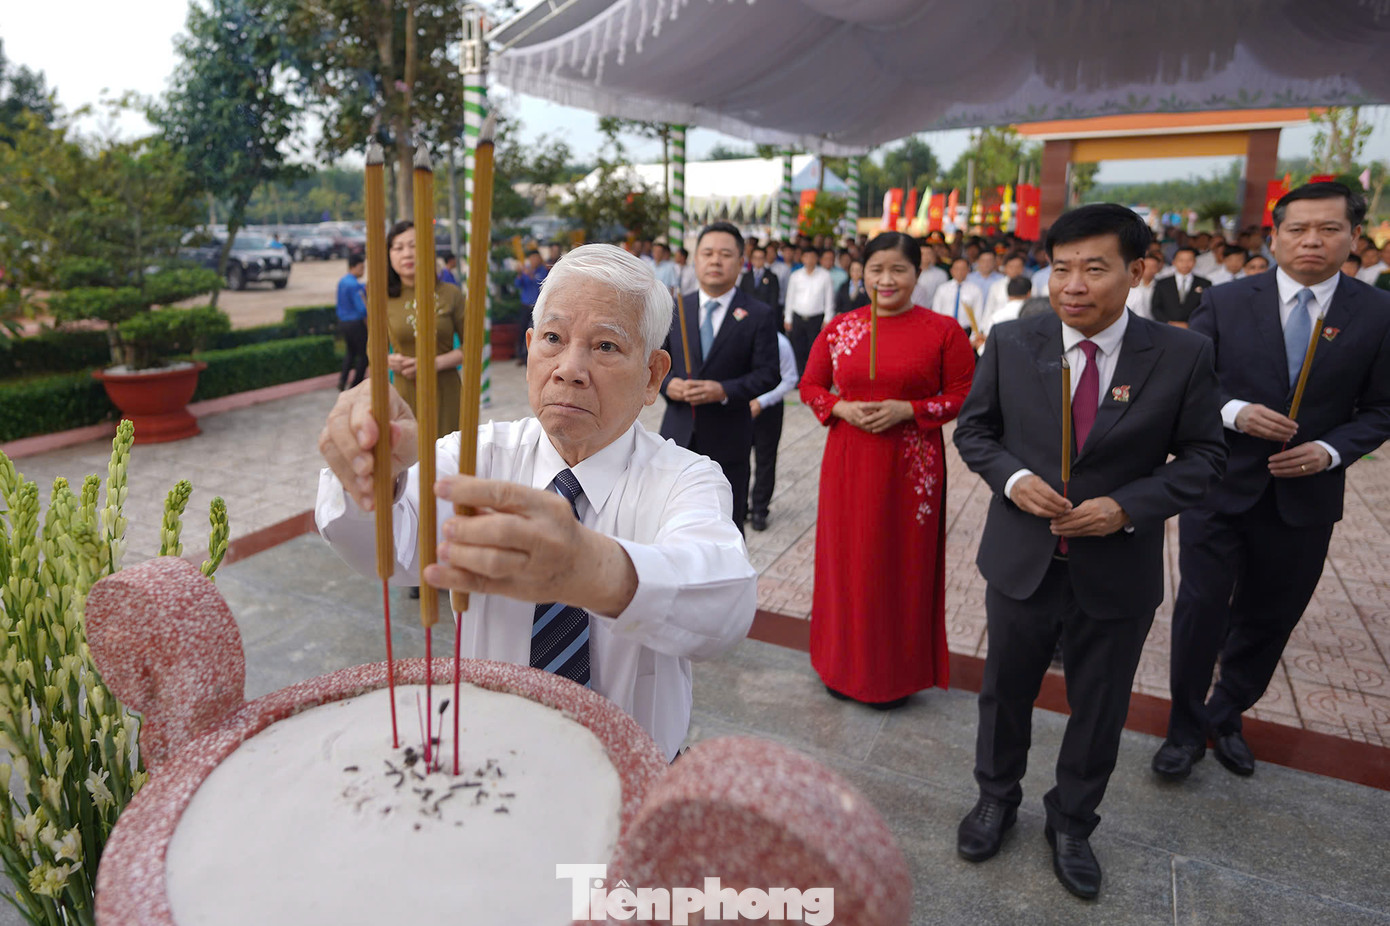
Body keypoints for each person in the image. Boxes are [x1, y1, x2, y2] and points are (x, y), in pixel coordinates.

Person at [316, 244, 757, 761]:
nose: (569, 368)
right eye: (553, 338)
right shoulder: (476, 456)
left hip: (634, 776)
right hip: (486, 763)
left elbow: (723, 603)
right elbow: (387, 548)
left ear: (653, 376)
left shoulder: (686, 479)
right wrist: (373, 471)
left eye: (606, 346)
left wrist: (590, 569)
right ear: (530, 349)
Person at [952, 204, 1226, 901]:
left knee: (1100, 703)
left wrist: (1128, 506)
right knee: (1004, 690)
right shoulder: (1014, 341)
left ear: (1138, 272)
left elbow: (1203, 458)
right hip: (1022, 557)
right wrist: (1014, 480)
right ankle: (996, 796)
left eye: (1094, 268)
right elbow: (977, 433)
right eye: (1061, 267)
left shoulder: (1182, 352)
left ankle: (1071, 821)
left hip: (1117, 566)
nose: (1072, 284)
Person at [1155, 182, 1390, 782]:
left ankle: (1226, 715)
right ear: (1275, 236)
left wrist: (1332, 450)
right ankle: (1183, 730)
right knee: (1201, 610)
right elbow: (1192, 383)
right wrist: (1233, 412)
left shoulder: (1377, 312)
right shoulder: (1228, 301)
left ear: (1353, 238)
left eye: (1329, 229)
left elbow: (1381, 409)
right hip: (1220, 485)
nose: (1312, 240)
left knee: (1269, 615)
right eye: (1298, 229)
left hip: (1304, 499)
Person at [800, 232, 975, 710]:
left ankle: (895, 675)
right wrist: (840, 408)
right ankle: (841, 666)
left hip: (911, 466)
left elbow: (964, 391)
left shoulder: (944, 331)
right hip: (849, 461)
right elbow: (811, 384)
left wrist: (909, 409)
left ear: (919, 274)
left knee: (900, 564)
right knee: (847, 562)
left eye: (898, 269)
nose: (886, 279)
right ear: (862, 273)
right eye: (876, 268)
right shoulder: (840, 328)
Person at [659, 222, 782, 531]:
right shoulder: (674, 308)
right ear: (695, 260)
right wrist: (667, 384)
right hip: (677, 436)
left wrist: (724, 390)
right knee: (668, 523)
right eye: (708, 253)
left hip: (729, 438)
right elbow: (652, 364)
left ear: (741, 262)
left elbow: (769, 374)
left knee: (725, 526)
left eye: (725, 254)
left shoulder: (758, 313)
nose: (715, 261)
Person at [379, 222, 466, 436]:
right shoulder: (382, 299)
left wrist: (432, 364)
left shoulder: (450, 294)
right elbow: (373, 351)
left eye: (413, 245)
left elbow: (472, 347)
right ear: (389, 255)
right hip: (405, 393)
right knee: (410, 462)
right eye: (398, 248)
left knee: (449, 459)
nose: (406, 254)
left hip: (446, 392)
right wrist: (389, 360)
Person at [748, 331, 798, 532]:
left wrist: (762, 401)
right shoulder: (741, 334)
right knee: (738, 458)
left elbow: (790, 379)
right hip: (740, 404)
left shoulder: (781, 343)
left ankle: (760, 509)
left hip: (769, 407)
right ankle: (739, 506)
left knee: (765, 459)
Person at [783, 244, 837, 374]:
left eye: (812, 257)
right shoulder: (795, 276)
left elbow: (829, 299)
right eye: (806, 257)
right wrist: (788, 318)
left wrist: (828, 318)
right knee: (797, 348)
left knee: (814, 349)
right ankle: (798, 375)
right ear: (802, 258)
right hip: (798, 317)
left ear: (817, 259)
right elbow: (789, 298)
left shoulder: (825, 276)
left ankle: (812, 375)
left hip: (816, 318)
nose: (810, 260)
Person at [931, 257, 985, 348]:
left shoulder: (975, 290)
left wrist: (973, 338)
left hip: (966, 331)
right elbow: (936, 312)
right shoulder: (942, 289)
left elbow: (978, 315)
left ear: (968, 270)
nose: (960, 272)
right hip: (945, 330)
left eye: (963, 269)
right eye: (957, 269)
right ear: (951, 270)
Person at [1150, 246, 1210, 326]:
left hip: (1194, 329)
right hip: (1166, 328)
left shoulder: (1205, 283)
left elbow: (1207, 308)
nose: (1185, 264)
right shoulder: (1162, 283)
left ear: (1195, 262)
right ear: (1174, 262)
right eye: (1181, 260)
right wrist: (1169, 323)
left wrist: (1190, 324)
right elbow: (1156, 308)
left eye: (1189, 260)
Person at [335, 255, 369, 391]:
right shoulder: (355, 285)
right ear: (353, 267)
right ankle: (355, 386)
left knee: (350, 353)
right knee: (364, 356)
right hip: (356, 323)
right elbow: (362, 308)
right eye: (361, 268)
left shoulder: (343, 281)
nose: (363, 271)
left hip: (343, 323)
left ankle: (342, 380)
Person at [515, 249, 549, 364]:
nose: (534, 260)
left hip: (538, 306)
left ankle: (533, 356)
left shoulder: (543, 271)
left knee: (537, 331)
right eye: (532, 258)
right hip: (525, 305)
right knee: (522, 330)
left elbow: (542, 283)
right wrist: (520, 274)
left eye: (536, 258)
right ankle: (521, 356)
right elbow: (517, 284)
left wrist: (531, 276)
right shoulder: (525, 271)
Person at [741, 245, 781, 310]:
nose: (757, 260)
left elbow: (774, 300)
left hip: (764, 313)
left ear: (765, 259)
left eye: (760, 258)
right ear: (751, 259)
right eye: (755, 258)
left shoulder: (772, 277)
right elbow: (741, 296)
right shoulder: (746, 276)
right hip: (747, 312)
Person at [1125, 253, 1163, 320]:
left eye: (1153, 267)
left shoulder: (1161, 287)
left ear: (1158, 269)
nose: (1149, 269)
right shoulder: (1131, 285)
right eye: (1147, 266)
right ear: (1141, 267)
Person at [911, 244, 948, 309]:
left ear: (933, 255)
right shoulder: (910, 272)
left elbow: (943, 297)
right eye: (922, 254)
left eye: (929, 253)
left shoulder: (941, 274)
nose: (925, 256)